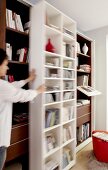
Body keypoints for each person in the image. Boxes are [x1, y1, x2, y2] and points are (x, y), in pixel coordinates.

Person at [0, 48, 45, 170]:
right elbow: (22, 96)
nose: (7, 68)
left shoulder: (3, 85)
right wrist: (38, 91)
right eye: (5, 65)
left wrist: (28, 80)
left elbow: (11, 87)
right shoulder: (1, 86)